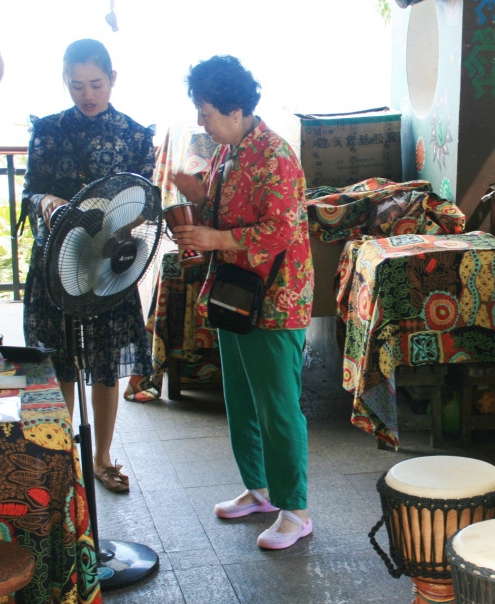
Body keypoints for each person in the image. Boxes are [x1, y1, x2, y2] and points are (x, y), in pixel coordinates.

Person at [170, 55, 315, 550]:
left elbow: (280, 230)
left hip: (276, 297)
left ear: (235, 109)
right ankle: (259, 490)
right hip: (236, 292)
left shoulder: (275, 155)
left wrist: (211, 237)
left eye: (206, 111)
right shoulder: (228, 152)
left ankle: (295, 509)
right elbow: (219, 210)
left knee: (277, 406)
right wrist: (194, 194)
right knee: (241, 398)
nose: (200, 121)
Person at [22, 38, 155, 494]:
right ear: (65, 82)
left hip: (107, 267)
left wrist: (123, 219)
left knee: (103, 363)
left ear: (112, 79)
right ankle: (62, 457)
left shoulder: (137, 135)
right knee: (60, 361)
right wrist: (47, 201)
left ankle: (100, 457)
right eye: (76, 85)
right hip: (56, 263)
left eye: (95, 83)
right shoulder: (49, 129)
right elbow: (30, 191)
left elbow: (147, 203)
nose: (87, 94)